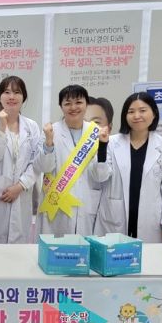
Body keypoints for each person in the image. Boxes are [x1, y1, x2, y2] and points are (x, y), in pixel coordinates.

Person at [94, 92, 162, 243]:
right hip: (114, 216)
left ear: (154, 114)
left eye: (142, 110)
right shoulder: (111, 142)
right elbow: (100, 176)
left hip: (151, 219)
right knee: (114, 254)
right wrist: (102, 146)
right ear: (125, 116)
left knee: (149, 256)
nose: (136, 116)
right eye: (131, 111)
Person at [35, 84, 110, 235]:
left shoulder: (96, 132)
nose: (73, 107)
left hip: (86, 204)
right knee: (57, 246)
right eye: (68, 103)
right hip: (57, 204)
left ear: (86, 104)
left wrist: (102, 146)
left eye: (78, 102)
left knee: (84, 246)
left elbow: (101, 176)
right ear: (61, 106)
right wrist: (49, 142)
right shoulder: (51, 131)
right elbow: (44, 167)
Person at [0, 76, 42, 244]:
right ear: (0, 97)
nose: (12, 97)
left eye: (17, 92)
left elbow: (36, 162)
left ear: (24, 97)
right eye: (7, 92)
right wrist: (2, 128)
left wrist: (20, 186)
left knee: (18, 249)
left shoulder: (32, 126)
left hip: (21, 195)